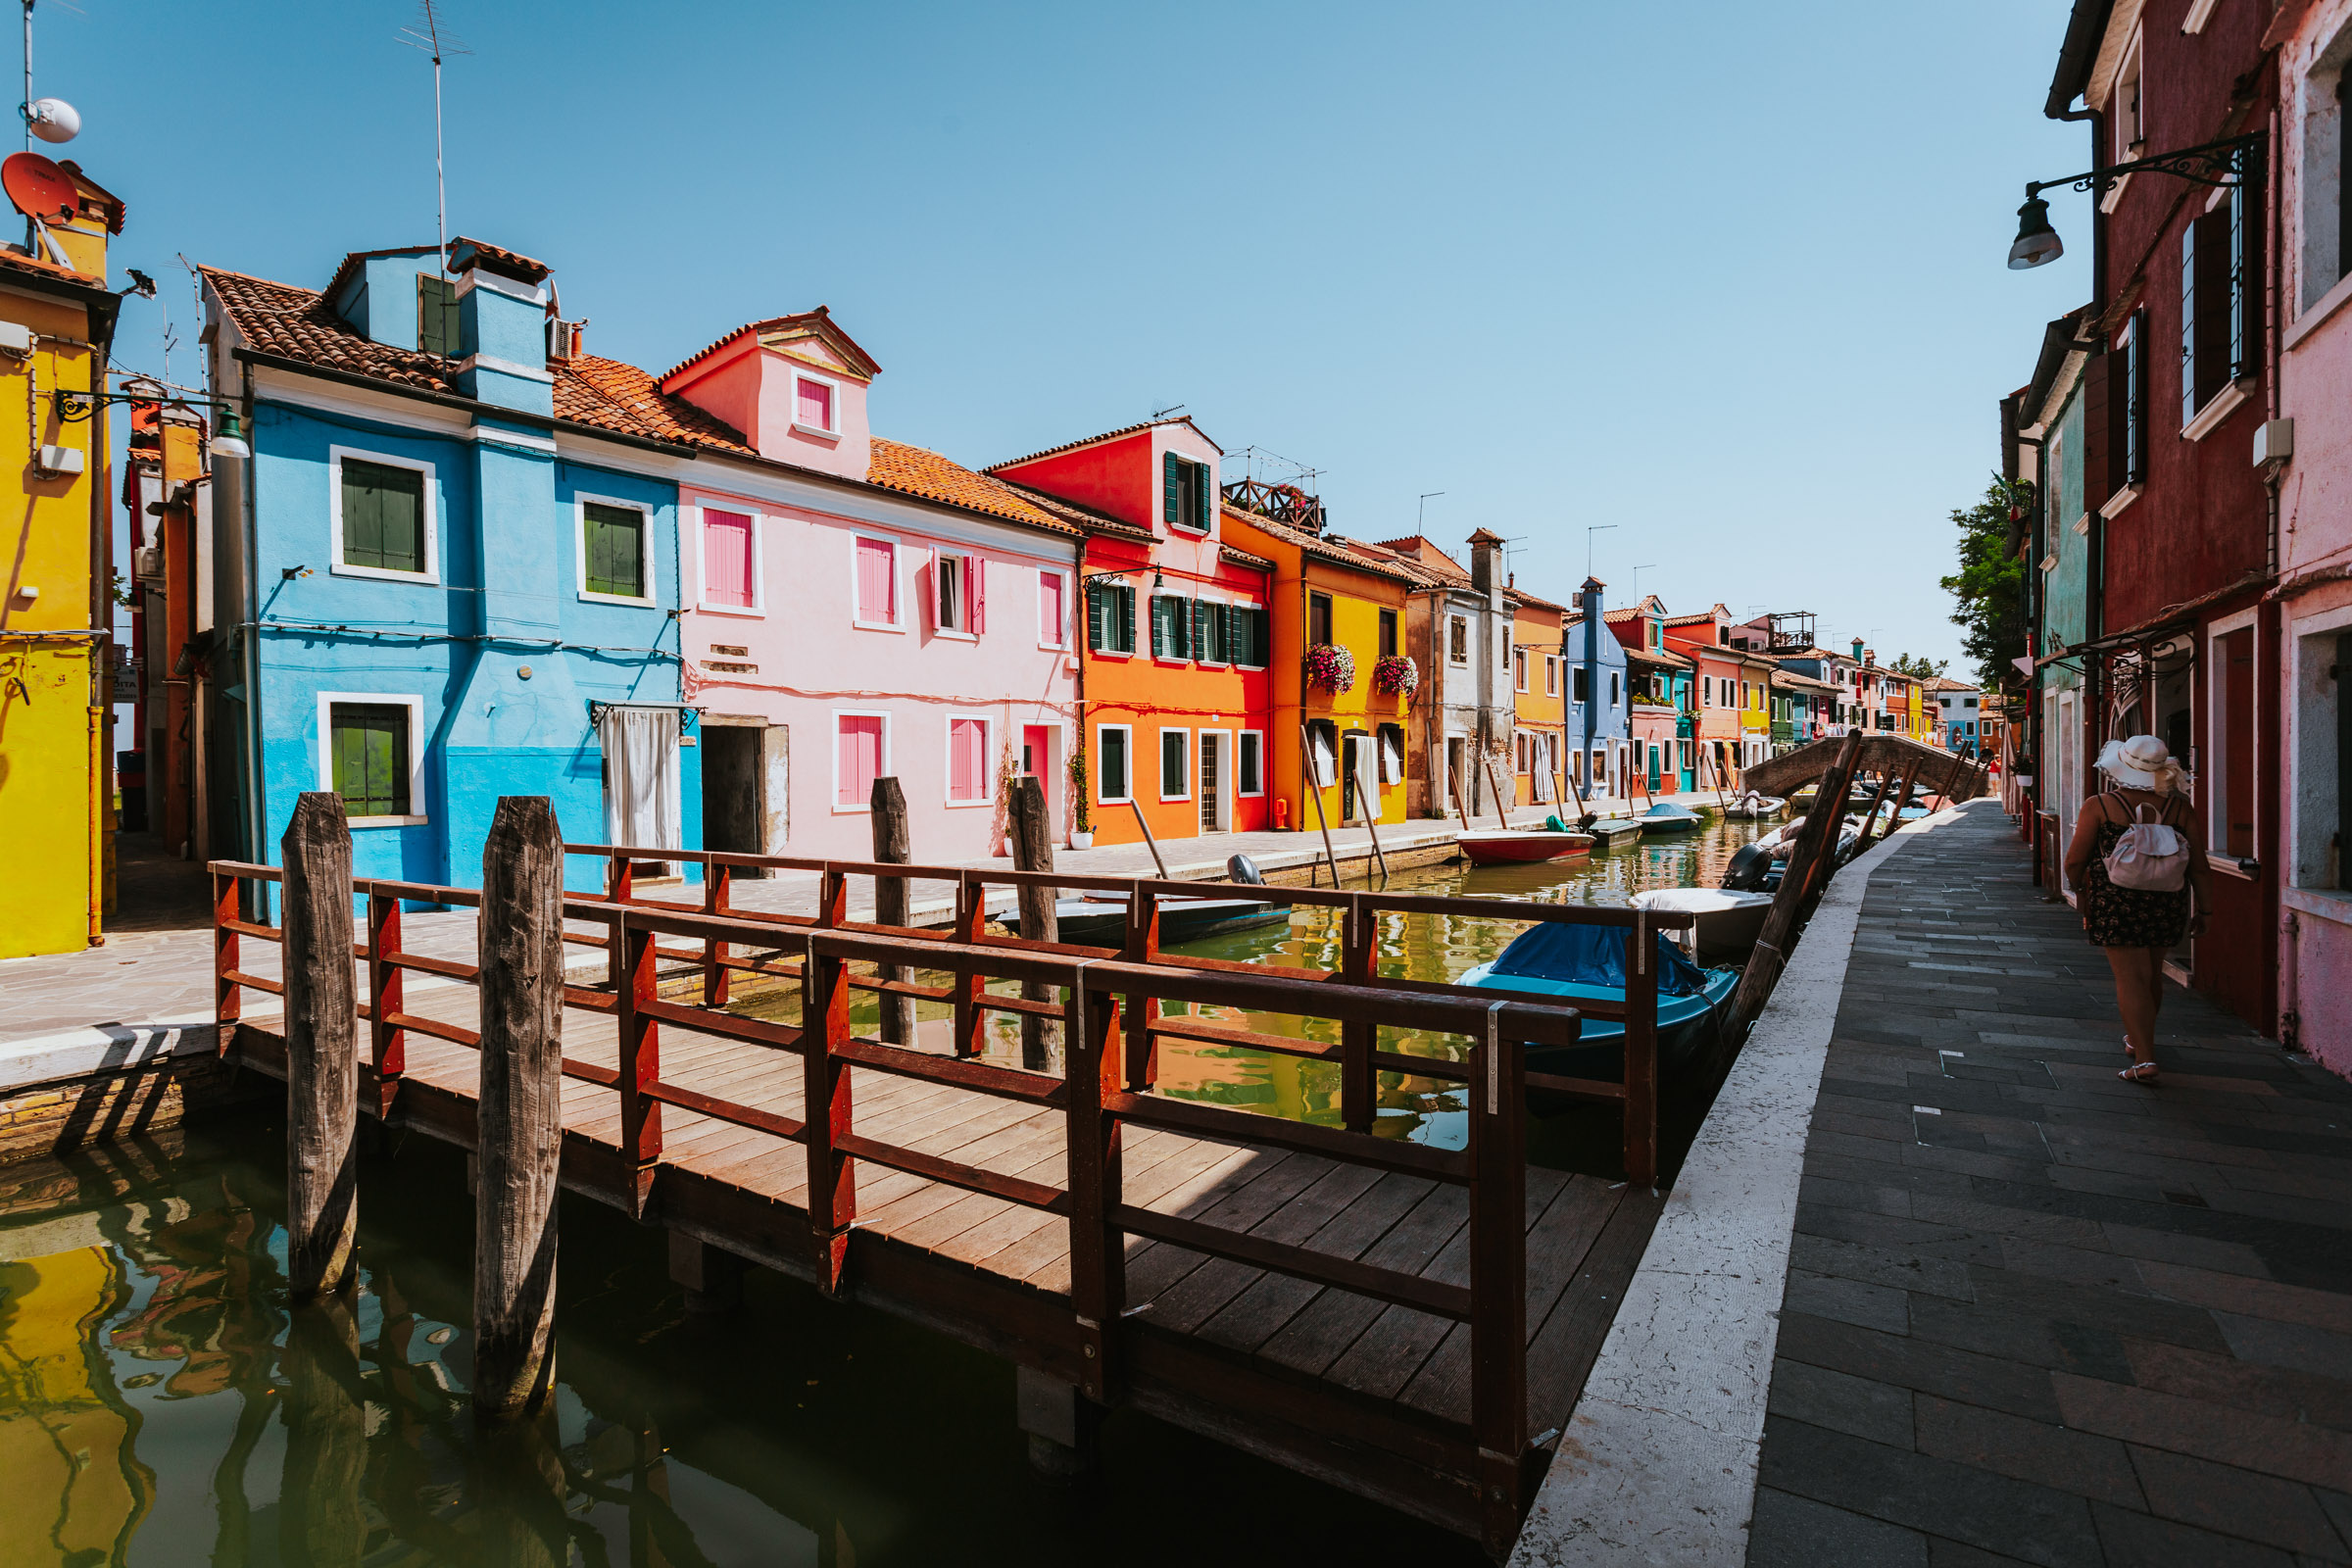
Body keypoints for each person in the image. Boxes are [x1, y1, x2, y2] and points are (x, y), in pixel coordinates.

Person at [2062, 735, 2211, 1083]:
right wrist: (2206, 910)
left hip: (2116, 903)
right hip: (2167, 901)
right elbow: (2199, 866)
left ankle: (2145, 1060)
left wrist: (2082, 892)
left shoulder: (2099, 805)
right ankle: (2137, 1039)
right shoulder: (2180, 809)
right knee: (2151, 975)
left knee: (2130, 980)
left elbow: (2074, 861)